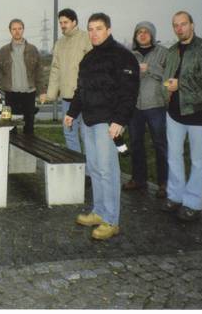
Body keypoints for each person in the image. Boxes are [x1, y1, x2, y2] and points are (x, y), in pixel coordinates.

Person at [65, 12, 139, 240]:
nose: (94, 33)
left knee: (108, 171)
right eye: (90, 29)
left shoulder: (123, 56)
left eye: (98, 28)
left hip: (107, 123)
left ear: (108, 29)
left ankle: (111, 220)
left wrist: (119, 120)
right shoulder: (88, 58)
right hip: (88, 120)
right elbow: (81, 90)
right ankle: (99, 211)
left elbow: (129, 92)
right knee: (95, 168)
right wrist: (71, 113)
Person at [161, 11, 202, 221]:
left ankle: (193, 204)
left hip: (197, 113)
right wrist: (165, 91)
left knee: (197, 160)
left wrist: (180, 84)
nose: (179, 28)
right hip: (174, 113)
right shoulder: (172, 51)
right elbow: (166, 78)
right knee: (174, 156)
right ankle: (175, 196)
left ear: (192, 25)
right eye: (175, 25)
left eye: (183, 24)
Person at [39, 8, 92, 170]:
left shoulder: (86, 38)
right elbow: (55, 70)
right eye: (60, 22)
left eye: (65, 22)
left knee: (86, 135)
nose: (62, 25)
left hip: (85, 97)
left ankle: (91, 172)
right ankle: (78, 170)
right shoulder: (59, 43)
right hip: (67, 98)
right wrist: (50, 95)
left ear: (74, 22)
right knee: (69, 134)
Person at [122, 21, 169, 198]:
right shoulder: (129, 54)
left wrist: (150, 68)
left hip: (156, 105)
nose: (142, 35)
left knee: (160, 144)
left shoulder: (163, 52)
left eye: (146, 32)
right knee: (136, 143)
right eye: (139, 32)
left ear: (152, 35)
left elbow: (170, 76)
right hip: (135, 106)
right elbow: (123, 76)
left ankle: (164, 183)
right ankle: (138, 179)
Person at [0, 18, 44, 134]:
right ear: (10, 31)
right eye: (14, 29)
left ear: (23, 30)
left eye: (19, 28)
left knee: (29, 126)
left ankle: (29, 144)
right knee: (11, 127)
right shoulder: (3, 51)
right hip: (11, 94)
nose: (17, 31)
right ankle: (13, 145)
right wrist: (3, 85)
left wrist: (42, 91)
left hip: (29, 93)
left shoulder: (33, 49)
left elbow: (39, 71)